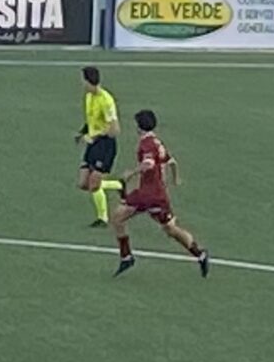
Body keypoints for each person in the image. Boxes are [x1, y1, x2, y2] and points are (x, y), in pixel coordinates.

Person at [111, 109, 212, 277]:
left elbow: (149, 164)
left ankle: (126, 256)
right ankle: (199, 253)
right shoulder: (158, 143)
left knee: (117, 217)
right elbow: (172, 162)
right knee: (170, 228)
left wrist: (131, 173)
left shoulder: (146, 144)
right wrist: (176, 178)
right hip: (159, 195)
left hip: (146, 195)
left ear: (138, 127)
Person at [75, 65, 126, 226]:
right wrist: (82, 132)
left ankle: (102, 218)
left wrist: (95, 135)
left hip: (105, 145)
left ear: (88, 81)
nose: (82, 83)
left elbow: (115, 129)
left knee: (93, 185)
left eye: (83, 80)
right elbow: (91, 120)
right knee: (83, 184)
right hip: (93, 144)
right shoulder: (88, 97)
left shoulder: (106, 100)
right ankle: (119, 185)